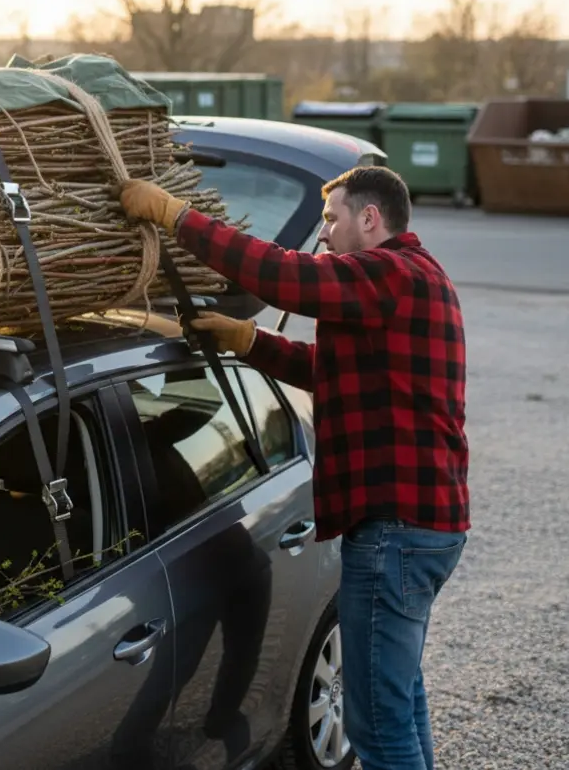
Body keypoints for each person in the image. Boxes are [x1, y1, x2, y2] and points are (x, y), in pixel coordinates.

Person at [118, 165, 469, 770]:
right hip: (422, 528)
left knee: (378, 725)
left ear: (370, 218)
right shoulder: (415, 278)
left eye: (332, 220)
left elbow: (284, 275)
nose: (325, 234)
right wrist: (250, 341)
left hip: (395, 533)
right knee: (399, 700)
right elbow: (339, 370)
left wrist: (176, 216)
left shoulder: (388, 273)